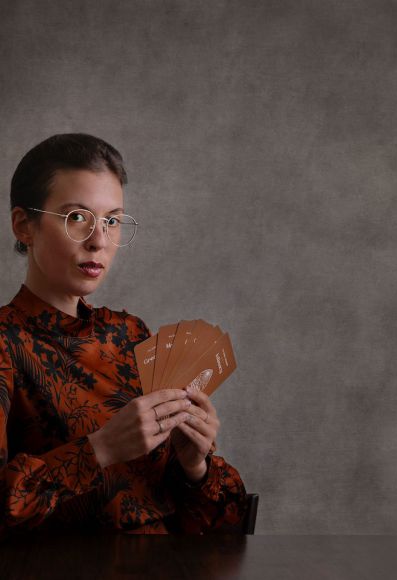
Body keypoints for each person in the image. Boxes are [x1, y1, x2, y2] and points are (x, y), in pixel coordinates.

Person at [0, 133, 247, 539]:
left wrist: (194, 466)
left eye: (112, 220)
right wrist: (101, 449)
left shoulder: (131, 335)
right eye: (77, 217)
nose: (99, 240)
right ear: (24, 225)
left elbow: (224, 531)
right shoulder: (6, 342)